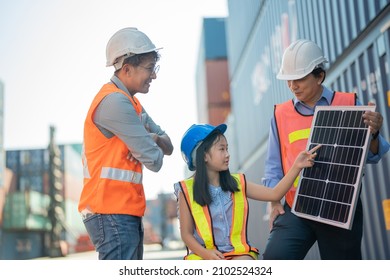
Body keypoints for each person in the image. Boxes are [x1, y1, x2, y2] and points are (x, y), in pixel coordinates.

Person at [262, 39, 390, 260]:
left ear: (319, 76)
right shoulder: (280, 115)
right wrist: (273, 202)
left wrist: (375, 134)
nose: (293, 86)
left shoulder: (349, 103)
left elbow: (370, 156)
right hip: (296, 208)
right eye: (288, 80)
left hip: (340, 208)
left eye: (299, 79)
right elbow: (273, 166)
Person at [78, 27, 174, 260]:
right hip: (110, 212)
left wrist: (152, 139)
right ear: (127, 69)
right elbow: (155, 160)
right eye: (150, 69)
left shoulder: (133, 104)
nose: (154, 75)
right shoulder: (114, 103)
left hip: (123, 211)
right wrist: (151, 141)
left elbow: (168, 145)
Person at [174, 123, 320, 260]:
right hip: (203, 256)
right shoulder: (186, 191)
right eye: (221, 149)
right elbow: (186, 234)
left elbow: (275, 194)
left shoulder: (238, 183)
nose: (227, 154)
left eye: (227, 148)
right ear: (204, 155)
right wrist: (207, 255)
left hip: (239, 255)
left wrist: (297, 166)